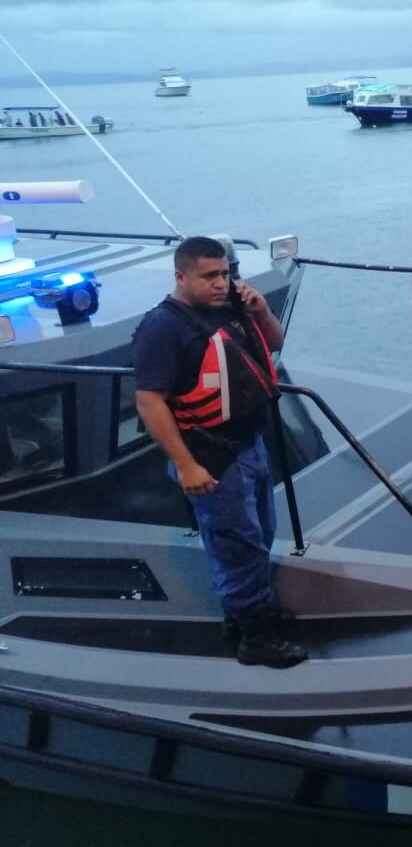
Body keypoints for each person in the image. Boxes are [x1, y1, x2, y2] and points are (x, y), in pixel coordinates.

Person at [133, 236, 306, 668]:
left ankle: (246, 613)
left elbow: (276, 342)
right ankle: (254, 638)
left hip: (249, 440)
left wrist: (260, 309)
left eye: (224, 273)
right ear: (181, 276)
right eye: (209, 276)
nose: (220, 283)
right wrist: (185, 464)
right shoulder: (163, 328)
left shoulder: (230, 308)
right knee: (236, 544)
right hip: (211, 454)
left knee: (260, 534)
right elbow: (150, 401)